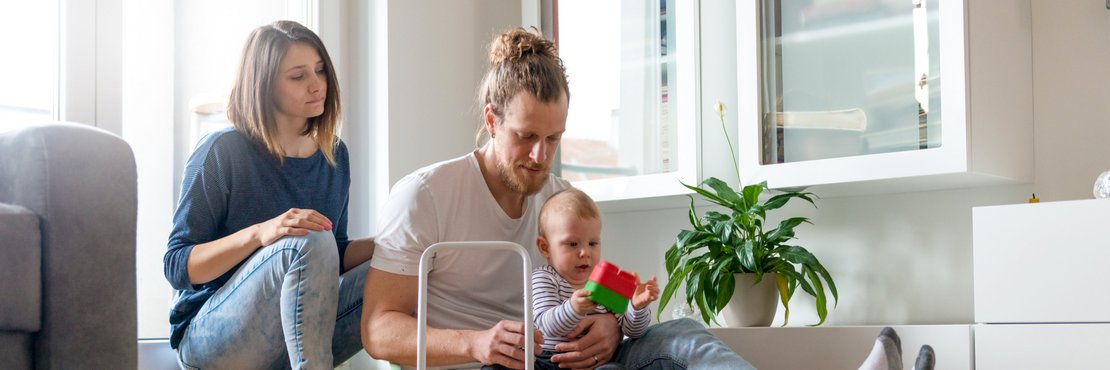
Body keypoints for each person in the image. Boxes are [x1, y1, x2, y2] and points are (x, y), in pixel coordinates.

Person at [361, 27, 755, 370]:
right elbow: (378, 330)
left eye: (554, 139)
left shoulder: (563, 200)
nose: (541, 157)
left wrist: (611, 327)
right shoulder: (424, 195)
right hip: (483, 366)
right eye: (526, 136)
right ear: (491, 121)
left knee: (683, 334)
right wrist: (477, 343)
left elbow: (605, 292)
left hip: (565, 359)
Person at [164, 20, 374, 370]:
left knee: (400, 263)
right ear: (264, 84)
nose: (317, 85)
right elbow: (177, 265)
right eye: (298, 76)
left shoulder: (334, 156)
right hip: (209, 337)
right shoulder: (222, 150)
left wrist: (396, 243)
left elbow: (331, 256)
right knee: (308, 236)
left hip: (290, 332)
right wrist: (261, 233)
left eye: (320, 71)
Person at [519, 188, 660, 370]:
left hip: (599, 363)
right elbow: (545, 327)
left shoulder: (605, 283)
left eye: (592, 243)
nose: (585, 252)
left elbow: (633, 331)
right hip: (549, 361)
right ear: (545, 247)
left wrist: (637, 307)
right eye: (572, 244)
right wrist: (574, 308)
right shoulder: (543, 279)